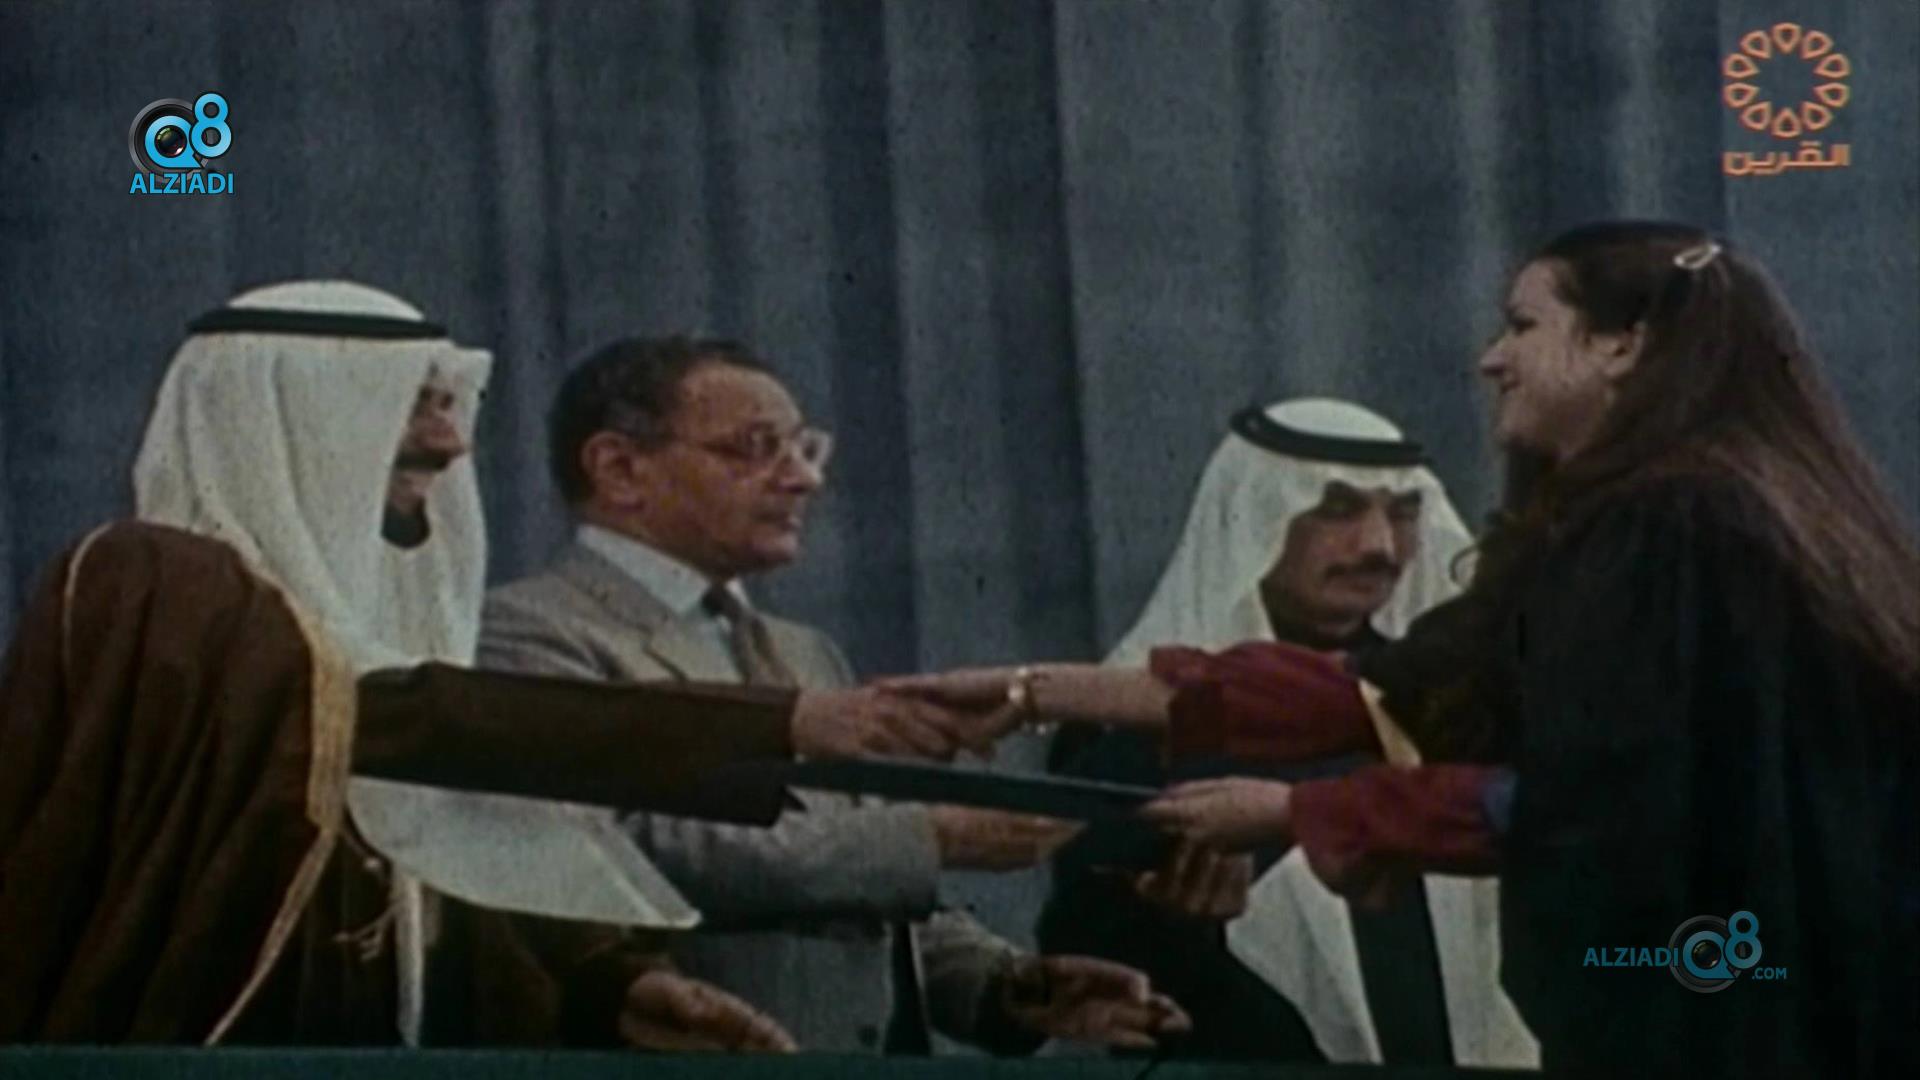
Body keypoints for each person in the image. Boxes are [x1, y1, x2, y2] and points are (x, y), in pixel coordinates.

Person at [891, 222, 1920, 1074]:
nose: (1492, 358)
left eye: (1523, 324)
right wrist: (1035, 692)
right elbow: (1398, 693)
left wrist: (1308, 812)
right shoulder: (1690, 514)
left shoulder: (1676, 527)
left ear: (1622, 345)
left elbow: (1600, 801)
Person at [0, 281, 986, 1048]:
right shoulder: (151, 576)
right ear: (293, 415)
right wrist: (778, 723)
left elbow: (442, 838)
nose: (449, 440)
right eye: (411, 404)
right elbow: (393, 724)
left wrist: (610, 986)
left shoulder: (361, 627)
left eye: (450, 404)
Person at [481, 335, 1191, 1055]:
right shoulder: (527, 633)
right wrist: (930, 838)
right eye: (758, 447)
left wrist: (1000, 984)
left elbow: (858, 886)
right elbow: (627, 852)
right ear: (620, 468)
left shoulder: (804, 650)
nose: (805, 479)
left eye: (805, 447)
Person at [1043, 397, 1530, 1066]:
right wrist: (1177, 928)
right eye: (1337, 510)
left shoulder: (1455, 703)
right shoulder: (1125, 724)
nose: (1379, 546)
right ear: (1257, 520)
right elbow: (1085, 964)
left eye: (1402, 512)